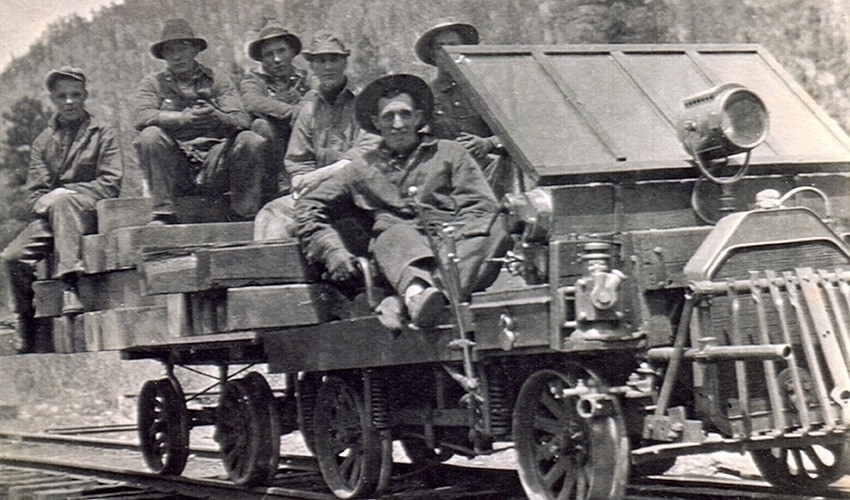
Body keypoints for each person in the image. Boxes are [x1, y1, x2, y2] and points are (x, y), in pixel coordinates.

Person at [296, 74, 511, 329]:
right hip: (399, 253)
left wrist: (452, 238)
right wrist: (332, 250)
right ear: (376, 123)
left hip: (456, 247)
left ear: (418, 118)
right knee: (392, 232)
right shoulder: (362, 167)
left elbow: (480, 206)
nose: (398, 124)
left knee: (502, 223)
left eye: (405, 114)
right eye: (388, 117)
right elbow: (308, 206)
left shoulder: (451, 152)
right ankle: (415, 294)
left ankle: (414, 299)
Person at [1, 66, 123, 353]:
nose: (69, 102)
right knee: (11, 257)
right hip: (54, 217)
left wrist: (66, 194)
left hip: (94, 212)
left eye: (76, 95)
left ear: (85, 96)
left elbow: (111, 183)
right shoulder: (44, 142)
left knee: (65, 202)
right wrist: (50, 199)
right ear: (52, 99)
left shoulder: (102, 134)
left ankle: (70, 286)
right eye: (62, 96)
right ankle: (26, 319)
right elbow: (34, 196)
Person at [133, 18, 266, 224]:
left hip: (217, 164)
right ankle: (163, 212)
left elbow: (241, 119)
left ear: (195, 49)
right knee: (149, 136)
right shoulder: (153, 83)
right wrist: (181, 118)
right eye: (170, 50)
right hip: (177, 168)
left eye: (183, 48)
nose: (177, 56)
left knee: (250, 139)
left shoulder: (217, 79)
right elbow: (141, 116)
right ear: (163, 56)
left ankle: (245, 213)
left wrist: (217, 116)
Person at [253, 31, 379, 240]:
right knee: (272, 214)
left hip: (362, 191)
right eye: (320, 61)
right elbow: (298, 161)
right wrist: (300, 180)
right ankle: (270, 271)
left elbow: (366, 155)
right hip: (321, 193)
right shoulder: (308, 108)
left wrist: (319, 176)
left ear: (344, 62)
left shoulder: (365, 102)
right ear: (312, 66)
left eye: (334, 60)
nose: (328, 67)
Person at [414, 19, 524, 199]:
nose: (448, 52)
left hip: (498, 176)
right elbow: (419, 142)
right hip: (450, 179)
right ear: (432, 55)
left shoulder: (488, 89)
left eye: (453, 45)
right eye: (440, 47)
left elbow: (520, 131)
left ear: (464, 51)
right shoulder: (425, 95)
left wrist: (488, 143)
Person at [240, 18, 310, 201]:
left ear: (292, 52)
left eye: (282, 51)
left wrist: (304, 108)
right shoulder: (254, 80)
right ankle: (279, 184)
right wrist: (292, 112)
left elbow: (317, 95)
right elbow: (251, 101)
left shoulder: (306, 78)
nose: (277, 59)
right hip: (271, 151)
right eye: (269, 54)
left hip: (303, 142)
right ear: (262, 59)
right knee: (260, 125)